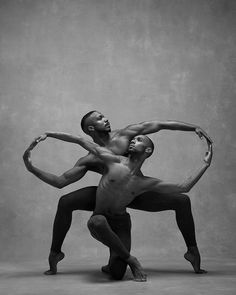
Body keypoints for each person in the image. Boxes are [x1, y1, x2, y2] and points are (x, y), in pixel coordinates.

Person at [23, 110, 212, 278]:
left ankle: (192, 251)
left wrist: (194, 128)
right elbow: (61, 180)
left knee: (181, 200)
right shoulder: (92, 157)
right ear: (90, 128)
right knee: (66, 201)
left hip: (135, 191)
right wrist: (44, 144)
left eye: (104, 116)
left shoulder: (125, 137)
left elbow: (158, 125)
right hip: (106, 195)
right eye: (99, 118)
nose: (105, 119)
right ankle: (56, 252)